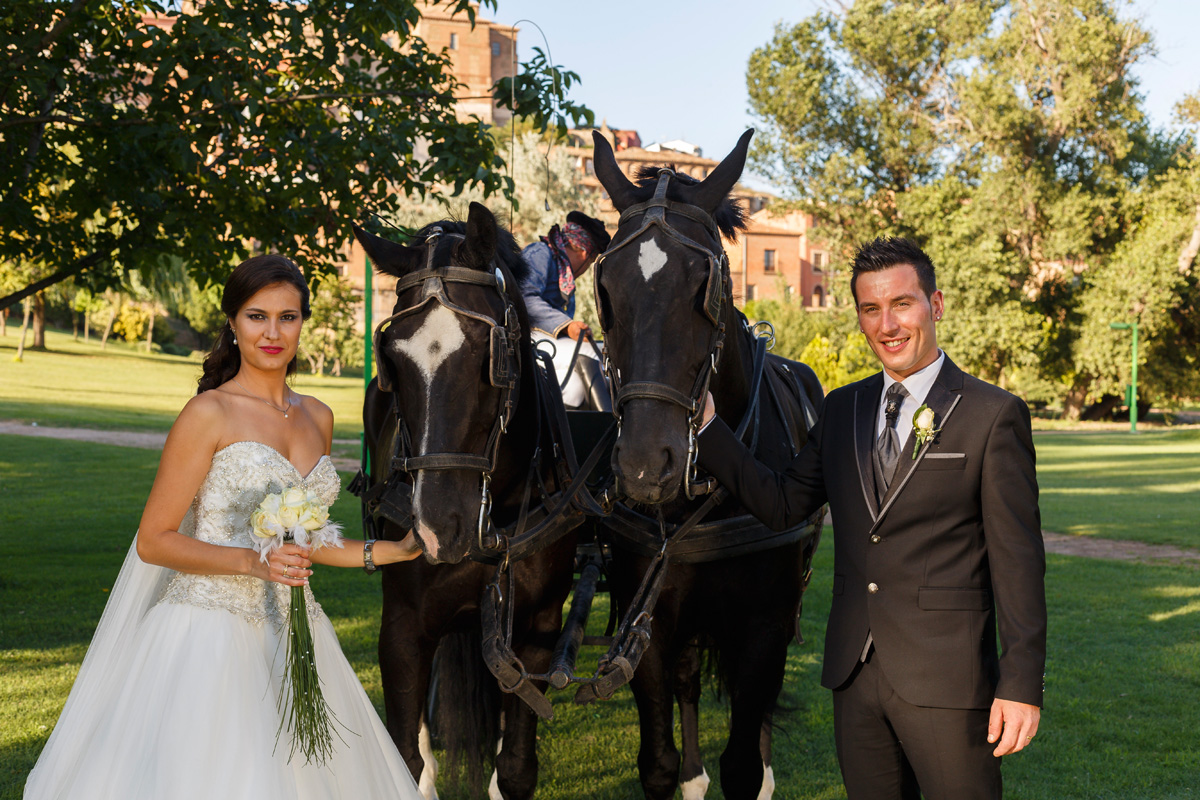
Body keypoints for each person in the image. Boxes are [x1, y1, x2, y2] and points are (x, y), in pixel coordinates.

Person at [24, 255, 425, 800]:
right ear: (233, 324)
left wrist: (394, 551)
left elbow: (309, 543)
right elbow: (154, 539)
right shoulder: (208, 413)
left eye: (288, 316)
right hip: (205, 635)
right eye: (257, 316)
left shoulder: (319, 417)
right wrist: (249, 561)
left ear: (304, 322)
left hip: (293, 634)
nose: (273, 332)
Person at [697, 237, 1046, 800]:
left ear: (935, 304)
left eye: (902, 304)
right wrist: (711, 431)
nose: (888, 324)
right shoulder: (843, 408)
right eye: (870, 309)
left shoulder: (992, 414)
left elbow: (1019, 562)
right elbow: (784, 503)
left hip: (947, 681)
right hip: (853, 678)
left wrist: (1023, 682)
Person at [520, 211, 612, 409]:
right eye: (591, 261)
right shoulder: (539, 253)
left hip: (545, 343)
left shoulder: (566, 281)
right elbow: (524, 298)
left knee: (605, 354)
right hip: (524, 341)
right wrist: (567, 326)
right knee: (590, 353)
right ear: (586, 254)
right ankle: (611, 428)